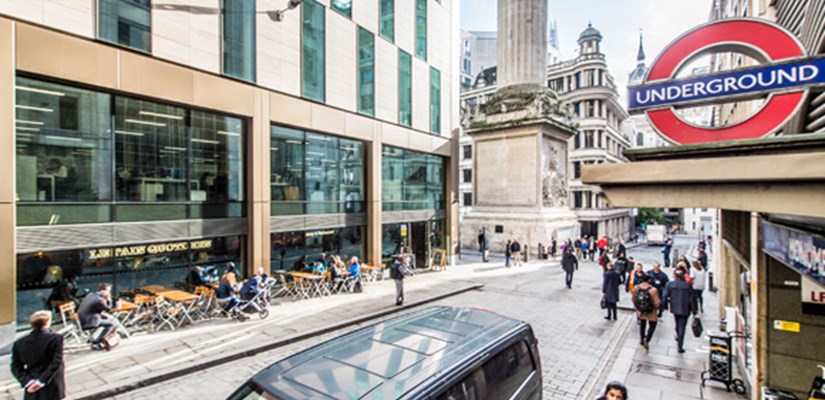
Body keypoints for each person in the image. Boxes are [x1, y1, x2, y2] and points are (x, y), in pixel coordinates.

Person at [11, 311, 65, 400]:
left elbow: (15, 366)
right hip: (51, 383)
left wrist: (28, 382)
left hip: (32, 385)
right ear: (46, 323)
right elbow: (56, 362)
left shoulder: (19, 343)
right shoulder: (55, 338)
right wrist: (41, 381)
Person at [663, 268, 698, 353]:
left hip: (675, 307)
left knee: (677, 323)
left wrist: (664, 306)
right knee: (682, 326)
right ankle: (680, 345)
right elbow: (692, 299)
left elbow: (665, 296)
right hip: (685, 308)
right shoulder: (688, 285)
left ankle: (678, 336)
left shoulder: (670, 284)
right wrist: (694, 310)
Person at [77, 283, 117, 350]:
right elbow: (109, 308)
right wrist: (109, 299)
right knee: (112, 324)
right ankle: (97, 341)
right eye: (108, 291)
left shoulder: (90, 295)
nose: (109, 293)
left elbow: (92, 308)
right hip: (90, 321)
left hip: (84, 319)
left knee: (107, 320)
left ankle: (98, 339)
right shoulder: (99, 300)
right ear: (103, 291)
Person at [632, 274, 661, 350]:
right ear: (649, 280)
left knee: (642, 324)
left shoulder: (636, 288)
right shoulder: (653, 290)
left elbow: (633, 299)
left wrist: (637, 306)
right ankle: (647, 339)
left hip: (641, 310)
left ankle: (641, 339)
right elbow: (657, 303)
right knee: (653, 324)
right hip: (651, 311)